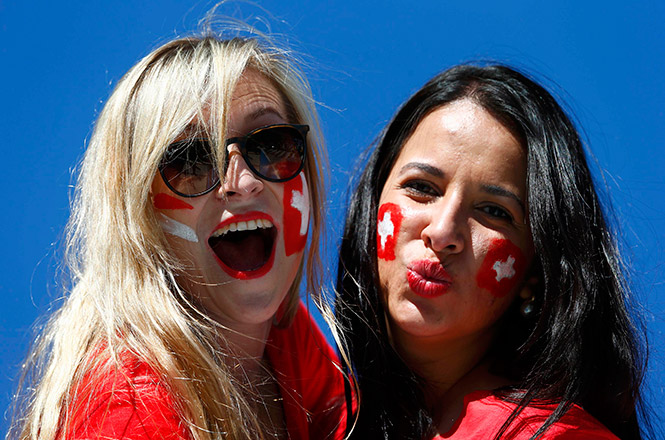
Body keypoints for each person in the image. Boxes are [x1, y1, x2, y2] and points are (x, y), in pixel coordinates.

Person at [10, 30, 345, 440]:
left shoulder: (282, 334)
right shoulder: (128, 416)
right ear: (137, 213)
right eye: (191, 160)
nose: (240, 181)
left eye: (271, 144)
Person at [335, 64, 651, 439]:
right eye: (422, 187)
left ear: (536, 273)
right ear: (372, 204)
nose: (443, 232)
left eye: (494, 211)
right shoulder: (306, 408)